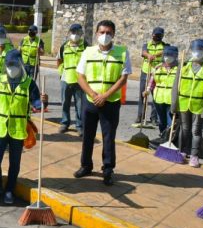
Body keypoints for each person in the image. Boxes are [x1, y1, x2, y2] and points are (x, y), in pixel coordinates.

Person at [0, 49, 47, 204]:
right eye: (9, 64)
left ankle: (10, 189)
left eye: (15, 64)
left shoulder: (29, 84)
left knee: (14, 162)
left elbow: (38, 104)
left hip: (18, 129)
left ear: (21, 65)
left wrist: (44, 101)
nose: (11, 68)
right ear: (5, 65)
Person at [74, 20, 131, 186]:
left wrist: (105, 95)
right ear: (96, 34)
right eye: (102, 32)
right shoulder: (88, 52)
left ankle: (108, 169)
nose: (105, 35)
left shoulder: (122, 52)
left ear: (113, 34)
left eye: (108, 32)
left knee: (108, 137)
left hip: (110, 102)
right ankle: (86, 165)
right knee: (88, 136)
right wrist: (93, 94)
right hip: (90, 101)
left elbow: (124, 78)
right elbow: (80, 76)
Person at [176, 39, 203, 167]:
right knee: (184, 129)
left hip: (200, 105)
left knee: (196, 131)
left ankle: (194, 155)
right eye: (195, 50)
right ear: (191, 50)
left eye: (201, 50)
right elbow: (175, 86)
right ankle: (182, 151)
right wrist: (174, 104)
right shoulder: (183, 64)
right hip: (184, 103)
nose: (198, 52)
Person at [56, 23, 87, 136]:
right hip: (66, 78)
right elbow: (59, 60)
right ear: (69, 33)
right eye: (73, 32)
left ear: (81, 33)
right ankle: (65, 123)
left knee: (79, 104)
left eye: (77, 32)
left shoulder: (86, 46)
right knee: (65, 102)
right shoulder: (64, 46)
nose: (75, 35)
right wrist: (61, 72)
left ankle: (79, 126)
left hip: (80, 80)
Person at [135, 27, 167, 126]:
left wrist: (156, 55)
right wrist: (148, 55)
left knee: (155, 95)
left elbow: (166, 51)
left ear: (162, 36)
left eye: (159, 35)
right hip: (146, 71)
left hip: (158, 72)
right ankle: (140, 116)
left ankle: (153, 118)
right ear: (152, 34)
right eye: (155, 34)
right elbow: (143, 52)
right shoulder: (146, 45)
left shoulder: (165, 46)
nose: (157, 36)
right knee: (143, 94)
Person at [148, 45, 179, 139]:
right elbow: (152, 82)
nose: (167, 57)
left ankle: (170, 139)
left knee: (171, 122)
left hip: (172, 100)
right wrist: (147, 90)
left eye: (170, 55)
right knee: (162, 121)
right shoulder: (158, 68)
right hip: (158, 99)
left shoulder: (180, 70)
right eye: (166, 55)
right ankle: (162, 136)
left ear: (175, 56)